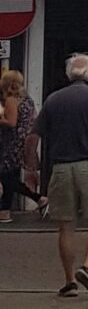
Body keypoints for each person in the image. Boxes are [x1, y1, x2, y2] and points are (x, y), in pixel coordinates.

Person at [24, 52, 88, 297]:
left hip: (60, 168)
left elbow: (32, 137)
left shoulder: (53, 100)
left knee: (66, 226)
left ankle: (70, 281)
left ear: (69, 74)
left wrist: (31, 167)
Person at [0, 68, 37, 223]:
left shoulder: (10, 99)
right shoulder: (27, 99)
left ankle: (39, 198)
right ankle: (4, 213)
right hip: (23, 140)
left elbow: (11, 122)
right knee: (10, 175)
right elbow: (34, 118)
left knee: (5, 176)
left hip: (11, 142)